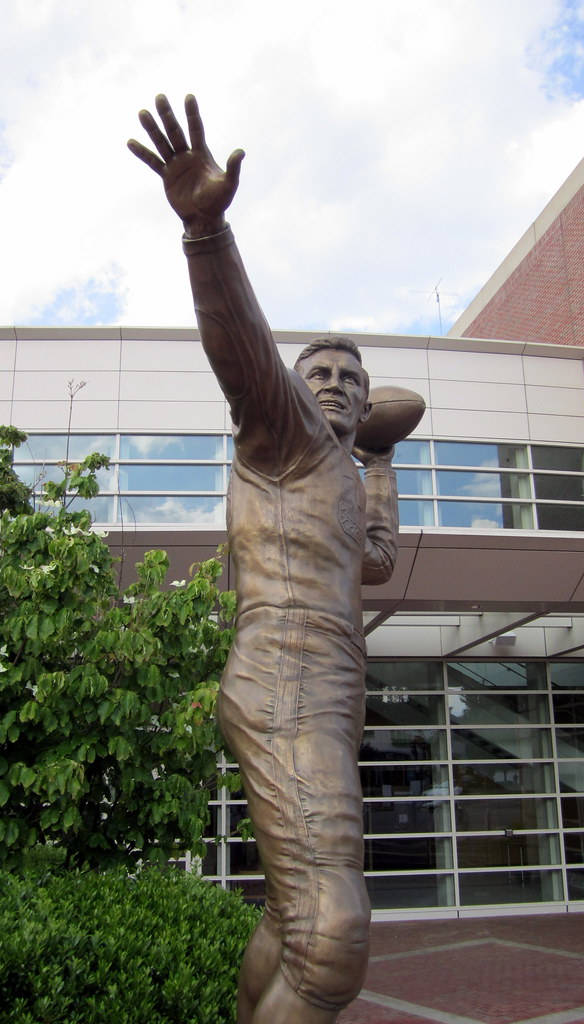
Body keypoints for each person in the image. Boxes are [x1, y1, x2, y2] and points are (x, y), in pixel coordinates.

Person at [128, 94, 398, 1024]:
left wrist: (381, 460)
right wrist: (207, 232)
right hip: (286, 668)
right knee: (333, 939)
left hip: (326, 682)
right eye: (318, 372)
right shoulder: (286, 436)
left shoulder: (344, 470)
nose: (332, 386)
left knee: (293, 918)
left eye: (350, 381)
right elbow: (242, 355)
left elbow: (375, 567)